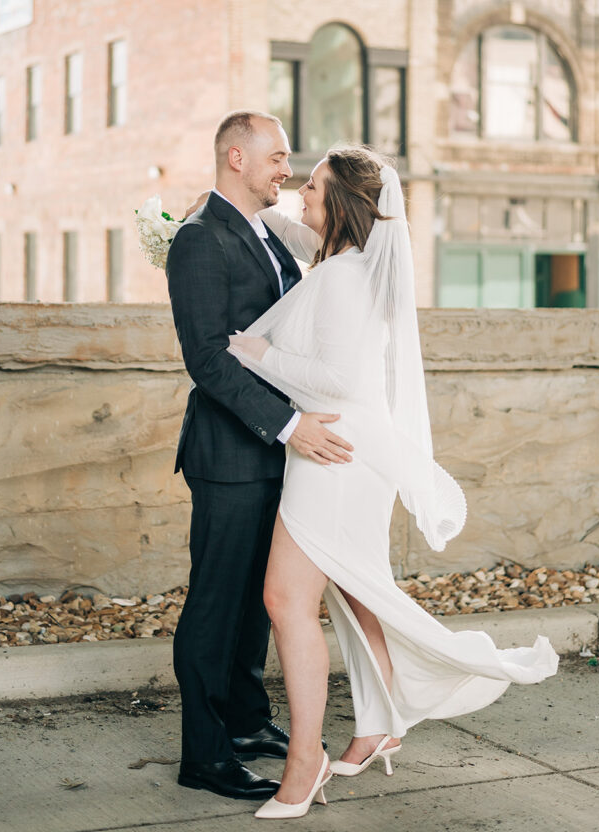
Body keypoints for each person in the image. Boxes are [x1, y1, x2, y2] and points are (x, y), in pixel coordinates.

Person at [228, 144, 559, 820]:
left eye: (314, 189)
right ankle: (377, 727)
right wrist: (239, 210)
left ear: (344, 205)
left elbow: (340, 381)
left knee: (286, 599)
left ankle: (304, 760)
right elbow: (293, 230)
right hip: (349, 453)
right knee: (355, 593)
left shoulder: (344, 278)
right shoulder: (351, 264)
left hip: (336, 457)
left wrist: (252, 350)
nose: (301, 195)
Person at [165, 111, 353, 802]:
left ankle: (245, 720)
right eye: (277, 157)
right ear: (235, 157)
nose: (287, 170)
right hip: (231, 453)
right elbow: (207, 360)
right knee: (215, 607)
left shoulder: (262, 231)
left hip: (273, 453)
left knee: (256, 602)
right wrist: (289, 425)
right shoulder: (197, 239)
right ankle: (206, 754)